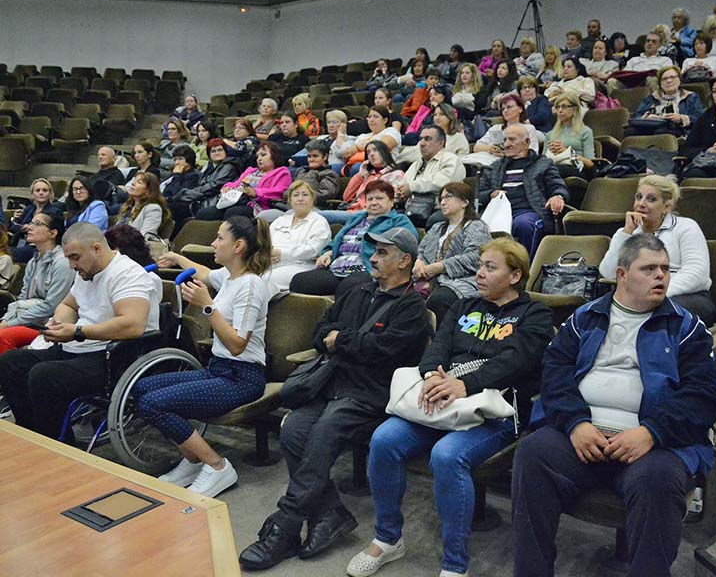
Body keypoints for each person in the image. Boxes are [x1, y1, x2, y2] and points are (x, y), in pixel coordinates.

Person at [511, 233, 716, 577]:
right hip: (583, 436)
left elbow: (705, 394)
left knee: (659, 479)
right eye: (649, 269)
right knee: (533, 453)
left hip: (651, 446)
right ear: (622, 275)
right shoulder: (585, 318)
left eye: (665, 269)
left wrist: (652, 432)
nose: (661, 276)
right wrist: (575, 424)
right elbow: (554, 375)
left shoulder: (686, 328)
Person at [348, 237, 552, 577]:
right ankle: (387, 538)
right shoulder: (463, 306)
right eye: (480, 265)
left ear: (515, 276)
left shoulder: (535, 315)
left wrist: (463, 385)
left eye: (490, 267)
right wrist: (431, 376)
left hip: (495, 411)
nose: (480, 273)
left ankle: (455, 565)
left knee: (447, 456)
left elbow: (516, 362)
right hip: (443, 399)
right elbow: (437, 347)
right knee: (383, 440)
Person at [239, 227, 432, 572]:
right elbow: (320, 331)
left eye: (383, 252)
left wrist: (340, 340)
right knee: (294, 430)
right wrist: (344, 340)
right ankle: (329, 513)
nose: (373, 257)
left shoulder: (412, 308)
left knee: (323, 433)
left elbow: (381, 351)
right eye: (374, 250)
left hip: (369, 394)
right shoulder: (357, 289)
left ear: (404, 261)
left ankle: (285, 524)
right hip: (331, 383)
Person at [142, 217, 272, 497]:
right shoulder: (229, 276)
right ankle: (193, 461)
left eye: (219, 238)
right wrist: (177, 258)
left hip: (243, 377)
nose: (213, 243)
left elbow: (237, 345)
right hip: (218, 369)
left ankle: (216, 465)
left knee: (153, 404)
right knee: (142, 388)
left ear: (238, 246)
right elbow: (204, 273)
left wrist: (207, 307)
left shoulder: (251, 286)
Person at [0, 222, 160, 440]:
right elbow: (68, 305)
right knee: (11, 362)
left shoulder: (128, 274)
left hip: (115, 357)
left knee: (44, 375)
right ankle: (32, 431)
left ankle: (57, 442)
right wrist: (59, 324)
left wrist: (78, 331)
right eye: (69, 258)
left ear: (97, 248)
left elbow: (132, 324)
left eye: (75, 257)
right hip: (81, 347)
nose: (72, 265)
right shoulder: (86, 271)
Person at [600, 175, 714, 323]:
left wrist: (658, 292)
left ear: (666, 207)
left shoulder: (686, 227)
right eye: (638, 197)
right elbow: (608, 273)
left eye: (651, 199)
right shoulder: (628, 232)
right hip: (639, 295)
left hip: (687, 295)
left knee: (661, 311)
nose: (641, 204)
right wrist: (626, 233)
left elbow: (697, 273)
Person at [290, 180, 417, 297]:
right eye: (370, 199)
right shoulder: (357, 218)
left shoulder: (398, 220)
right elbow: (336, 241)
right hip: (336, 268)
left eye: (379, 198)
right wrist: (328, 253)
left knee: (349, 287)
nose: (374, 202)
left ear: (391, 201)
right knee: (300, 281)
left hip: (365, 269)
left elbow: (408, 245)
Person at [479, 124, 568, 253]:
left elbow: (557, 185)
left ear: (527, 142)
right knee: (477, 227)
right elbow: (479, 194)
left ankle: (525, 264)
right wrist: (491, 194)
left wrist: (557, 196)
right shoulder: (494, 167)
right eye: (505, 140)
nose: (506, 144)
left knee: (523, 224)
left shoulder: (543, 164)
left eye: (512, 139)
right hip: (499, 212)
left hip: (528, 210)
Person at [412, 182, 492, 322]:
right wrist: (419, 262)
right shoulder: (437, 227)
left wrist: (441, 266)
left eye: (448, 197)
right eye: (441, 198)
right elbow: (422, 250)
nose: (443, 202)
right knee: (404, 297)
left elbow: (476, 257)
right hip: (432, 279)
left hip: (464, 280)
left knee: (439, 300)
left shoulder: (476, 226)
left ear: (465, 202)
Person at [0, 211, 74, 354]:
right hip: (29, 318)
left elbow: (51, 306)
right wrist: (7, 320)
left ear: (53, 233)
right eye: (31, 223)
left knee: (4, 336)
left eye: (37, 224)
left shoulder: (63, 263)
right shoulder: (33, 262)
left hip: (48, 324)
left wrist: (10, 323)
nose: (29, 227)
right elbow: (22, 298)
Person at [262, 181, 332, 295]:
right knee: (240, 274)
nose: (300, 198)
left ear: (312, 200)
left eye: (305, 195)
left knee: (266, 279)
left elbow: (313, 250)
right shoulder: (280, 220)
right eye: (295, 195)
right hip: (271, 263)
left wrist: (280, 253)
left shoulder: (319, 222)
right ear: (290, 200)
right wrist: (266, 255)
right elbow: (265, 243)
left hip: (302, 266)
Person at [197, 142, 292, 221]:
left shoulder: (282, 172)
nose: (259, 159)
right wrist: (227, 187)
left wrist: (255, 192)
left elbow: (279, 191)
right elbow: (235, 184)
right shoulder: (251, 171)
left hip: (258, 206)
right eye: (257, 156)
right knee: (204, 213)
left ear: (275, 156)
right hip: (236, 201)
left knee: (233, 212)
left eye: (263, 155)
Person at [320, 141, 405, 226]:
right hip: (353, 211)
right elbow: (346, 197)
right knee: (315, 214)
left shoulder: (396, 174)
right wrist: (360, 175)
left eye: (375, 150)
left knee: (319, 216)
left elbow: (395, 199)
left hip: (370, 214)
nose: (371, 154)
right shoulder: (367, 175)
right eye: (368, 152)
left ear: (385, 153)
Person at [398, 125, 467, 228]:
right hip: (414, 208)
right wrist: (400, 192)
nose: (422, 143)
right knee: (389, 217)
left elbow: (443, 182)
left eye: (427, 139)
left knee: (434, 221)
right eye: (421, 139)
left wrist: (411, 187)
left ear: (441, 143)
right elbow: (404, 183)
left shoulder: (451, 159)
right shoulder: (416, 164)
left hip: (440, 208)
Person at [166, 139, 241, 229]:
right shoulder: (210, 167)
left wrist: (185, 194)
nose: (217, 153)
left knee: (173, 209)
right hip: (202, 200)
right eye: (213, 151)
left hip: (213, 202)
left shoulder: (228, 167)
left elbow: (213, 186)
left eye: (220, 150)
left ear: (225, 152)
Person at [625, 66, 704, 137]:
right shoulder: (651, 98)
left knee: (661, 132)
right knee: (630, 131)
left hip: (678, 129)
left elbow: (700, 119)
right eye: (664, 79)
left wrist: (681, 118)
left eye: (672, 77)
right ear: (660, 83)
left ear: (679, 80)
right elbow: (637, 116)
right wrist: (647, 117)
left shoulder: (691, 97)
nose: (669, 81)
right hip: (650, 127)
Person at [472, 93, 542, 158]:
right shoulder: (496, 128)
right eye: (503, 109)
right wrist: (489, 148)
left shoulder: (528, 129)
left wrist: (507, 154)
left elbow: (533, 153)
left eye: (509, 107)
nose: (505, 111)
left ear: (520, 109)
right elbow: (476, 147)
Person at [545, 91, 596, 179]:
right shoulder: (550, 134)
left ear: (575, 109)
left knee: (554, 171)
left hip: (576, 169)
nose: (560, 110)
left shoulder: (585, 131)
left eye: (564, 107)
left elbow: (591, 163)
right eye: (557, 107)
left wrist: (567, 153)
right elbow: (543, 161)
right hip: (553, 167)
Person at [8, 177, 59, 263]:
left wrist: (26, 228)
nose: (41, 193)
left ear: (50, 194)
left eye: (45, 190)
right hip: (20, 243)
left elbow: (56, 234)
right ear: (32, 194)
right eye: (37, 190)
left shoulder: (55, 212)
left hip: (38, 247)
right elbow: (13, 228)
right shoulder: (28, 209)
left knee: (5, 254)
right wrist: (15, 219)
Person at [283, 140, 339, 210]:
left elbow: (325, 195)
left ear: (325, 156)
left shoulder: (329, 174)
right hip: (291, 206)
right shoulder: (301, 171)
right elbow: (288, 192)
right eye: (309, 156)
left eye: (315, 156)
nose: (311, 159)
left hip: (314, 208)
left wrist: (301, 195)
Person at [347, 106, 402, 175]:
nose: (371, 120)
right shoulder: (362, 136)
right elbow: (348, 153)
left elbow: (382, 146)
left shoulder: (391, 131)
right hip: (356, 163)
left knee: (357, 167)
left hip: (383, 168)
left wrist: (357, 147)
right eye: (369, 117)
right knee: (337, 167)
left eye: (376, 117)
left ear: (385, 120)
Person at [117, 172, 173, 237]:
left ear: (148, 191)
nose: (133, 183)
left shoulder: (153, 209)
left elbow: (145, 237)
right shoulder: (130, 206)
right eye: (134, 180)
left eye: (139, 182)